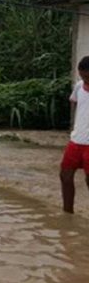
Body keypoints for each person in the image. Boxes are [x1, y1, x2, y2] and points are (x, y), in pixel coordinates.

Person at [59, 56, 89, 214]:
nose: (85, 80)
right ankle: (67, 213)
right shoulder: (78, 87)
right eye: (82, 76)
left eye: (87, 77)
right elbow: (75, 102)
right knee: (65, 175)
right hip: (76, 140)